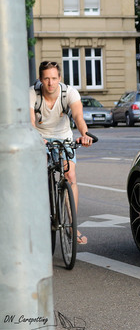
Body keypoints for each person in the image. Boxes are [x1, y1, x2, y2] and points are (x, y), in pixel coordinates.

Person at [30, 61, 94, 245]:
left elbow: (78, 116)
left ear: (60, 78)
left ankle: (73, 226)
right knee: (38, 176)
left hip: (63, 137)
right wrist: (35, 138)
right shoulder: (32, 93)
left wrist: (84, 134)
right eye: (46, 79)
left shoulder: (69, 93)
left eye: (54, 78)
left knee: (70, 175)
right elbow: (30, 120)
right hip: (38, 137)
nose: (50, 83)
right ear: (40, 79)